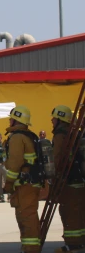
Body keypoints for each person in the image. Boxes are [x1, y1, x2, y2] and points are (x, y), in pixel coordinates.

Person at [3, 105, 41, 253]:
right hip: (29, 184)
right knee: (27, 215)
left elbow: (15, 163)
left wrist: (8, 184)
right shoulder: (28, 135)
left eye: (11, 118)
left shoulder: (17, 137)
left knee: (26, 217)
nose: (9, 120)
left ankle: (31, 249)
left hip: (25, 185)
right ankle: (29, 247)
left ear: (15, 120)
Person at [51, 105, 85, 253]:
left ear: (60, 119)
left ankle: (73, 245)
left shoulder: (60, 135)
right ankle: (80, 243)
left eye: (54, 118)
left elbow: (57, 158)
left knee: (69, 213)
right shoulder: (76, 133)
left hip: (68, 181)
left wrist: (53, 176)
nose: (52, 120)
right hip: (79, 180)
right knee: (79, 213)